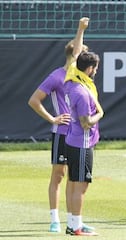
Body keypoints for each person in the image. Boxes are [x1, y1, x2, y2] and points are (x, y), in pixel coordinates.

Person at [27, 17, 92, 233]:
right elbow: (34, 100)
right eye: (81, 54)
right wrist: (53, 119)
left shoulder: (80, 78)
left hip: (78, 135)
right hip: (62, 133)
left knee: (75, 177)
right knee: (58, 174)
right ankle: (54, 219)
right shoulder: (57, 76)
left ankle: (73, 220)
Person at [64, 50, 103, 236]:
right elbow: (86, 122)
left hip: (72, 140)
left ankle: (73, 223)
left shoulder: (72, 81)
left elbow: (73, 56)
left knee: (73, 183)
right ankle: (76, 226)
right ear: (89, 69)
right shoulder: (82, 92)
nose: (96, 71)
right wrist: (100, 114)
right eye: (95, 68)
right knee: (80, 185)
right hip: (82, 143)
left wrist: (81, 31)